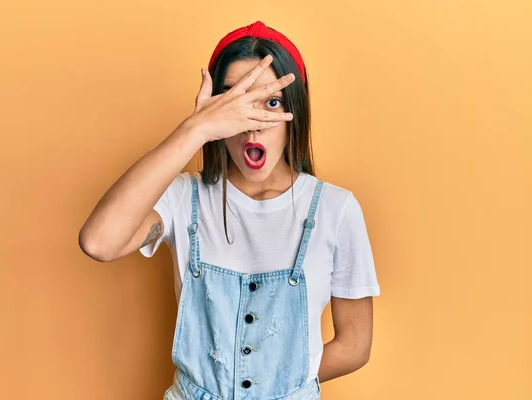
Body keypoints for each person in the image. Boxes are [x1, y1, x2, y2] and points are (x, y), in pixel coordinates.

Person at [79, 21, 380, 400]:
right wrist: (194, 130)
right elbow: (98, 241)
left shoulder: (336, 210)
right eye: (235, 103)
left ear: (295, 111)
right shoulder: (182, 199)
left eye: (271, 102)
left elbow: (355, 345)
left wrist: (274, 383)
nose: (252, 125)